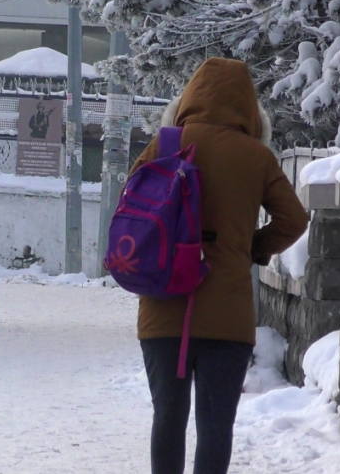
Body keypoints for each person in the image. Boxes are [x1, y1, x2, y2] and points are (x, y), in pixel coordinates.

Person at [130, 57, 308, 474]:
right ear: (249, 109)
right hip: (227, 316)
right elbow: (294, 220)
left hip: (163, 305)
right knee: (216, 427)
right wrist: (253, 248)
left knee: (167, 419)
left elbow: (132, 203)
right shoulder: (255, 156)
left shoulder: (167, 143)